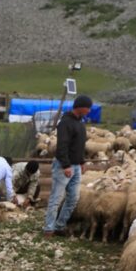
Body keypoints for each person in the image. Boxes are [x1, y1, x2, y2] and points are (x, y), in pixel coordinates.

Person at [44, 95, 91, 236]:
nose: (89, 110)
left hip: (76, 166)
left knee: (73, 198)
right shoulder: (65, 123)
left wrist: (81, 161)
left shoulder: (80, 123)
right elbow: (62, 145)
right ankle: (49, 228)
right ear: (80, 107)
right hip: (64, 166)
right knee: (56, 198)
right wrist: (65, 165)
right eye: (87, 107)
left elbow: (79, 145)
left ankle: (60, 225)